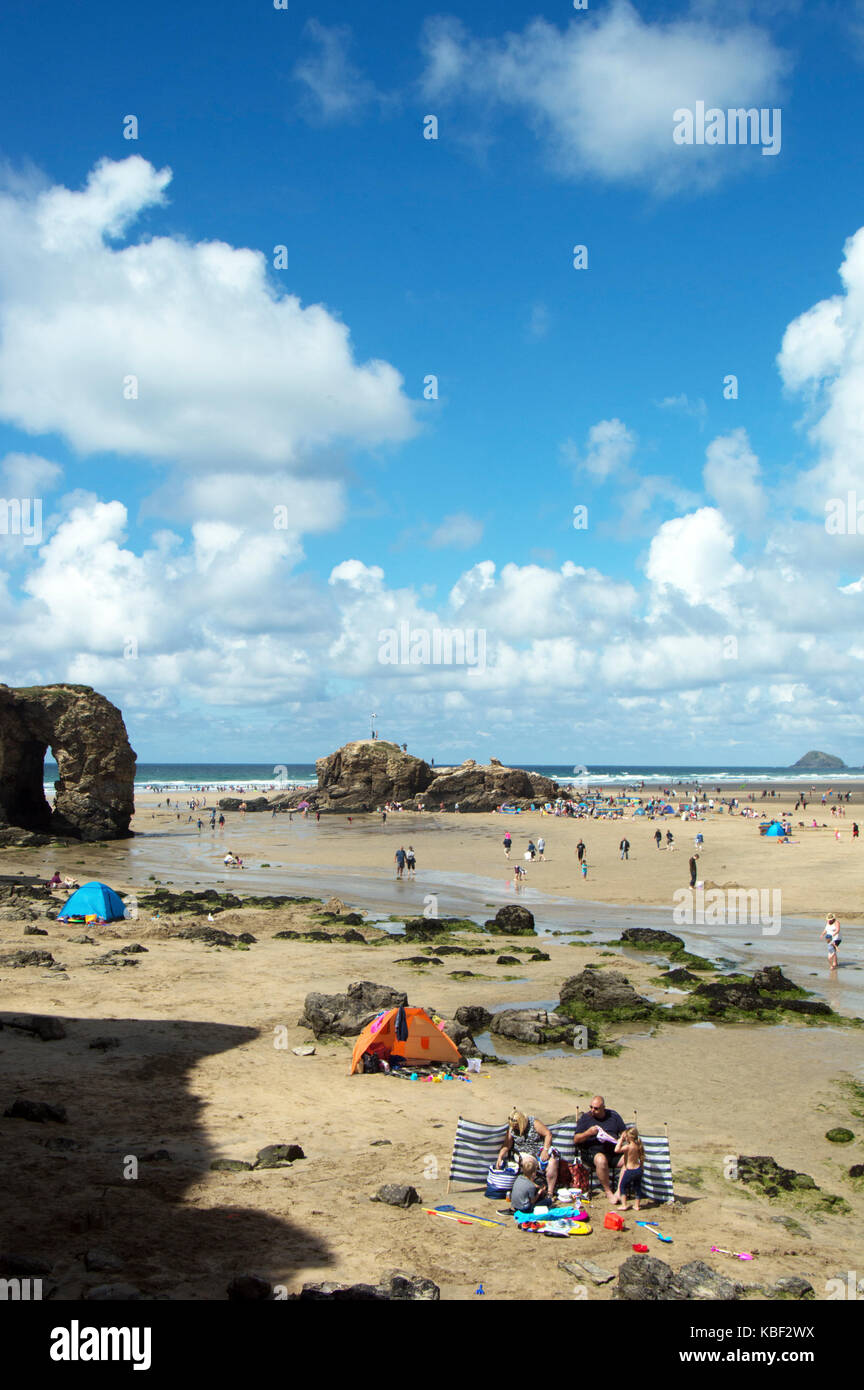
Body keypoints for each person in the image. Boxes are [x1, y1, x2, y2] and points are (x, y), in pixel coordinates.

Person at [495, 1110, 560, 1203]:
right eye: (513, 1126)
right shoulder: (511, 1128)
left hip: (540, 1151)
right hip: (524, 1153)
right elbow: (507, 1145)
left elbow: (548, 1134)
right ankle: (532, 1188)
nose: (514, 1128)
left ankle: (549, 1192)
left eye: (517, 1126)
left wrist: (545, 1150)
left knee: (553, 1162)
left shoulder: (533, 1123)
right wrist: (500, 1156)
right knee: (528, 1164)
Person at [573, 1096, 628, 1202]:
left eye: (596, 1108)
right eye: (591, 1107)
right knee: (601, 1159)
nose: (593, 1110)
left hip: (613, 1152)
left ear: (603, 1108)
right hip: (592, 1153)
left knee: (630, 1158)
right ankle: (608, 1191)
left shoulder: (613, 1116)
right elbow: (576, 1139)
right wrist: (588, 1133)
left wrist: (623, 1137)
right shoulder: (586, 1118)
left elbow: (623, 1131)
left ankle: (619, 1190)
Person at [612, 1128, 645, 1211]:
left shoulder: (628, 1147)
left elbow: (616, 1150)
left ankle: (624, 1204)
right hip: (638, 1169)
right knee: (637, 1187)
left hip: (630, 1170)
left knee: (622, 1186)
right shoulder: (639, 1146)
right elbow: (641, 1158)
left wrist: (620, 1140)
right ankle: (637, 1206)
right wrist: (642, 1167)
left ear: (629, 1137)